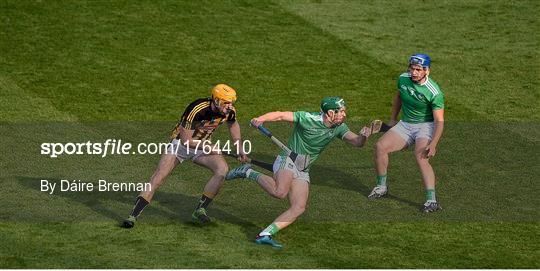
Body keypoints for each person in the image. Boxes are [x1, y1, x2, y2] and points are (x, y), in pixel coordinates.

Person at [225, 97, 373, 248]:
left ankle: (265, 234)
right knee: (279, 192)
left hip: (304, 168)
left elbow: (357, 142)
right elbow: (280, 115)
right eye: (340, 111)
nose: (344, 114)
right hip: (288, 159)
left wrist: (364, 136)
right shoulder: (307, 118)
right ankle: (248, 172)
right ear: (329, 113)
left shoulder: (339, 127)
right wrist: (260, 119)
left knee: (299, 207)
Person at [121, 84, 248, 228]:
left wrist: (239, 147)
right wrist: (209, 146)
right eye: (226, 102)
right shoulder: (197, 109)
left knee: (222, 170)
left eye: (231, 102)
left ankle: (200, 209)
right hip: (180, 145)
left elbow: (233, 124)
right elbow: (186, 140)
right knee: (158, 178)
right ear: (217, 100)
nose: (230, 106)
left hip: (202, 145)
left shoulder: (228, 111)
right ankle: (133, 216)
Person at [368, 53, 445, 213]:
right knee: (380, 146)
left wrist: (434, 143)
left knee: (421, 157)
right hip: (405, 124)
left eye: (418, 69)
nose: (414, 73)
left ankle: (431, 201)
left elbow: (439, 121)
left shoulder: (434, 92)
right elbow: (399, 97)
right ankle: (381, 187)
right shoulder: (403, 79)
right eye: (412, 69)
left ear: (427, 71)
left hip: (425, 126)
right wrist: (392, 119)